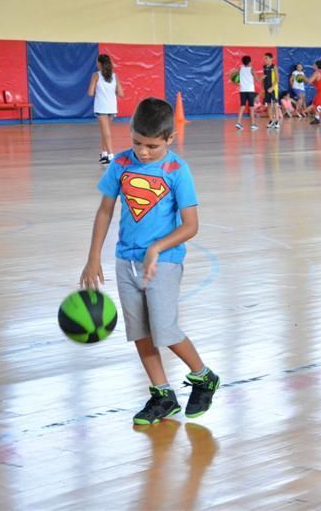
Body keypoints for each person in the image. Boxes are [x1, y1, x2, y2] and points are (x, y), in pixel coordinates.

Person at [80, 97, 220, 425]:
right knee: (140, 333)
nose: (143, 152)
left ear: (169, 139)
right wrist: (92, 257)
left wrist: (156, 248)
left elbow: (191, 226)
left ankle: (203, 376)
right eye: (137, 143)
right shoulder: (120, 164)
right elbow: (104, 211)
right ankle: (162, 394)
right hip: (125, 259)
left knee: (165, 331)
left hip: (165, 260)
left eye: (152, 146)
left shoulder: (177, 170)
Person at [88, 54, 124, 164]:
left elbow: (90, 92)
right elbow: (121, 93)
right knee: (105, 131)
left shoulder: (96, 75)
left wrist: (97, 91)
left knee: (106, 132)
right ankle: (104, 154)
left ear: (99, 63)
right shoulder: (115, 76)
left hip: (101, 107)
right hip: (112, 107)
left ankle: (111, 155)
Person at [235, 55, 258, 131]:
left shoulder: (240, 68)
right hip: (250, 90)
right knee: (251, 107)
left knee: (242, 106)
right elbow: (257, 79)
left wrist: (236, 81)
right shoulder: (252, 69)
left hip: (242, 90)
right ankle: (253, 124)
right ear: (250, 62)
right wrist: (263, 77)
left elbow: (233, 75)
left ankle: (238, 122)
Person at [262, 52, 280, 129]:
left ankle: (277, 121)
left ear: (271, 59)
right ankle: (271, 120)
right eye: (264, 58)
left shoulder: (274, 67)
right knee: (269, 105)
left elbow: (277, 79)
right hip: (266, 88)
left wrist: (272, 87)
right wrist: (263, 88)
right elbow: (264, 78)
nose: (265, 59)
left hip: (273, 89)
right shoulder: (264, 67)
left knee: (275, 105)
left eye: (266, 58)